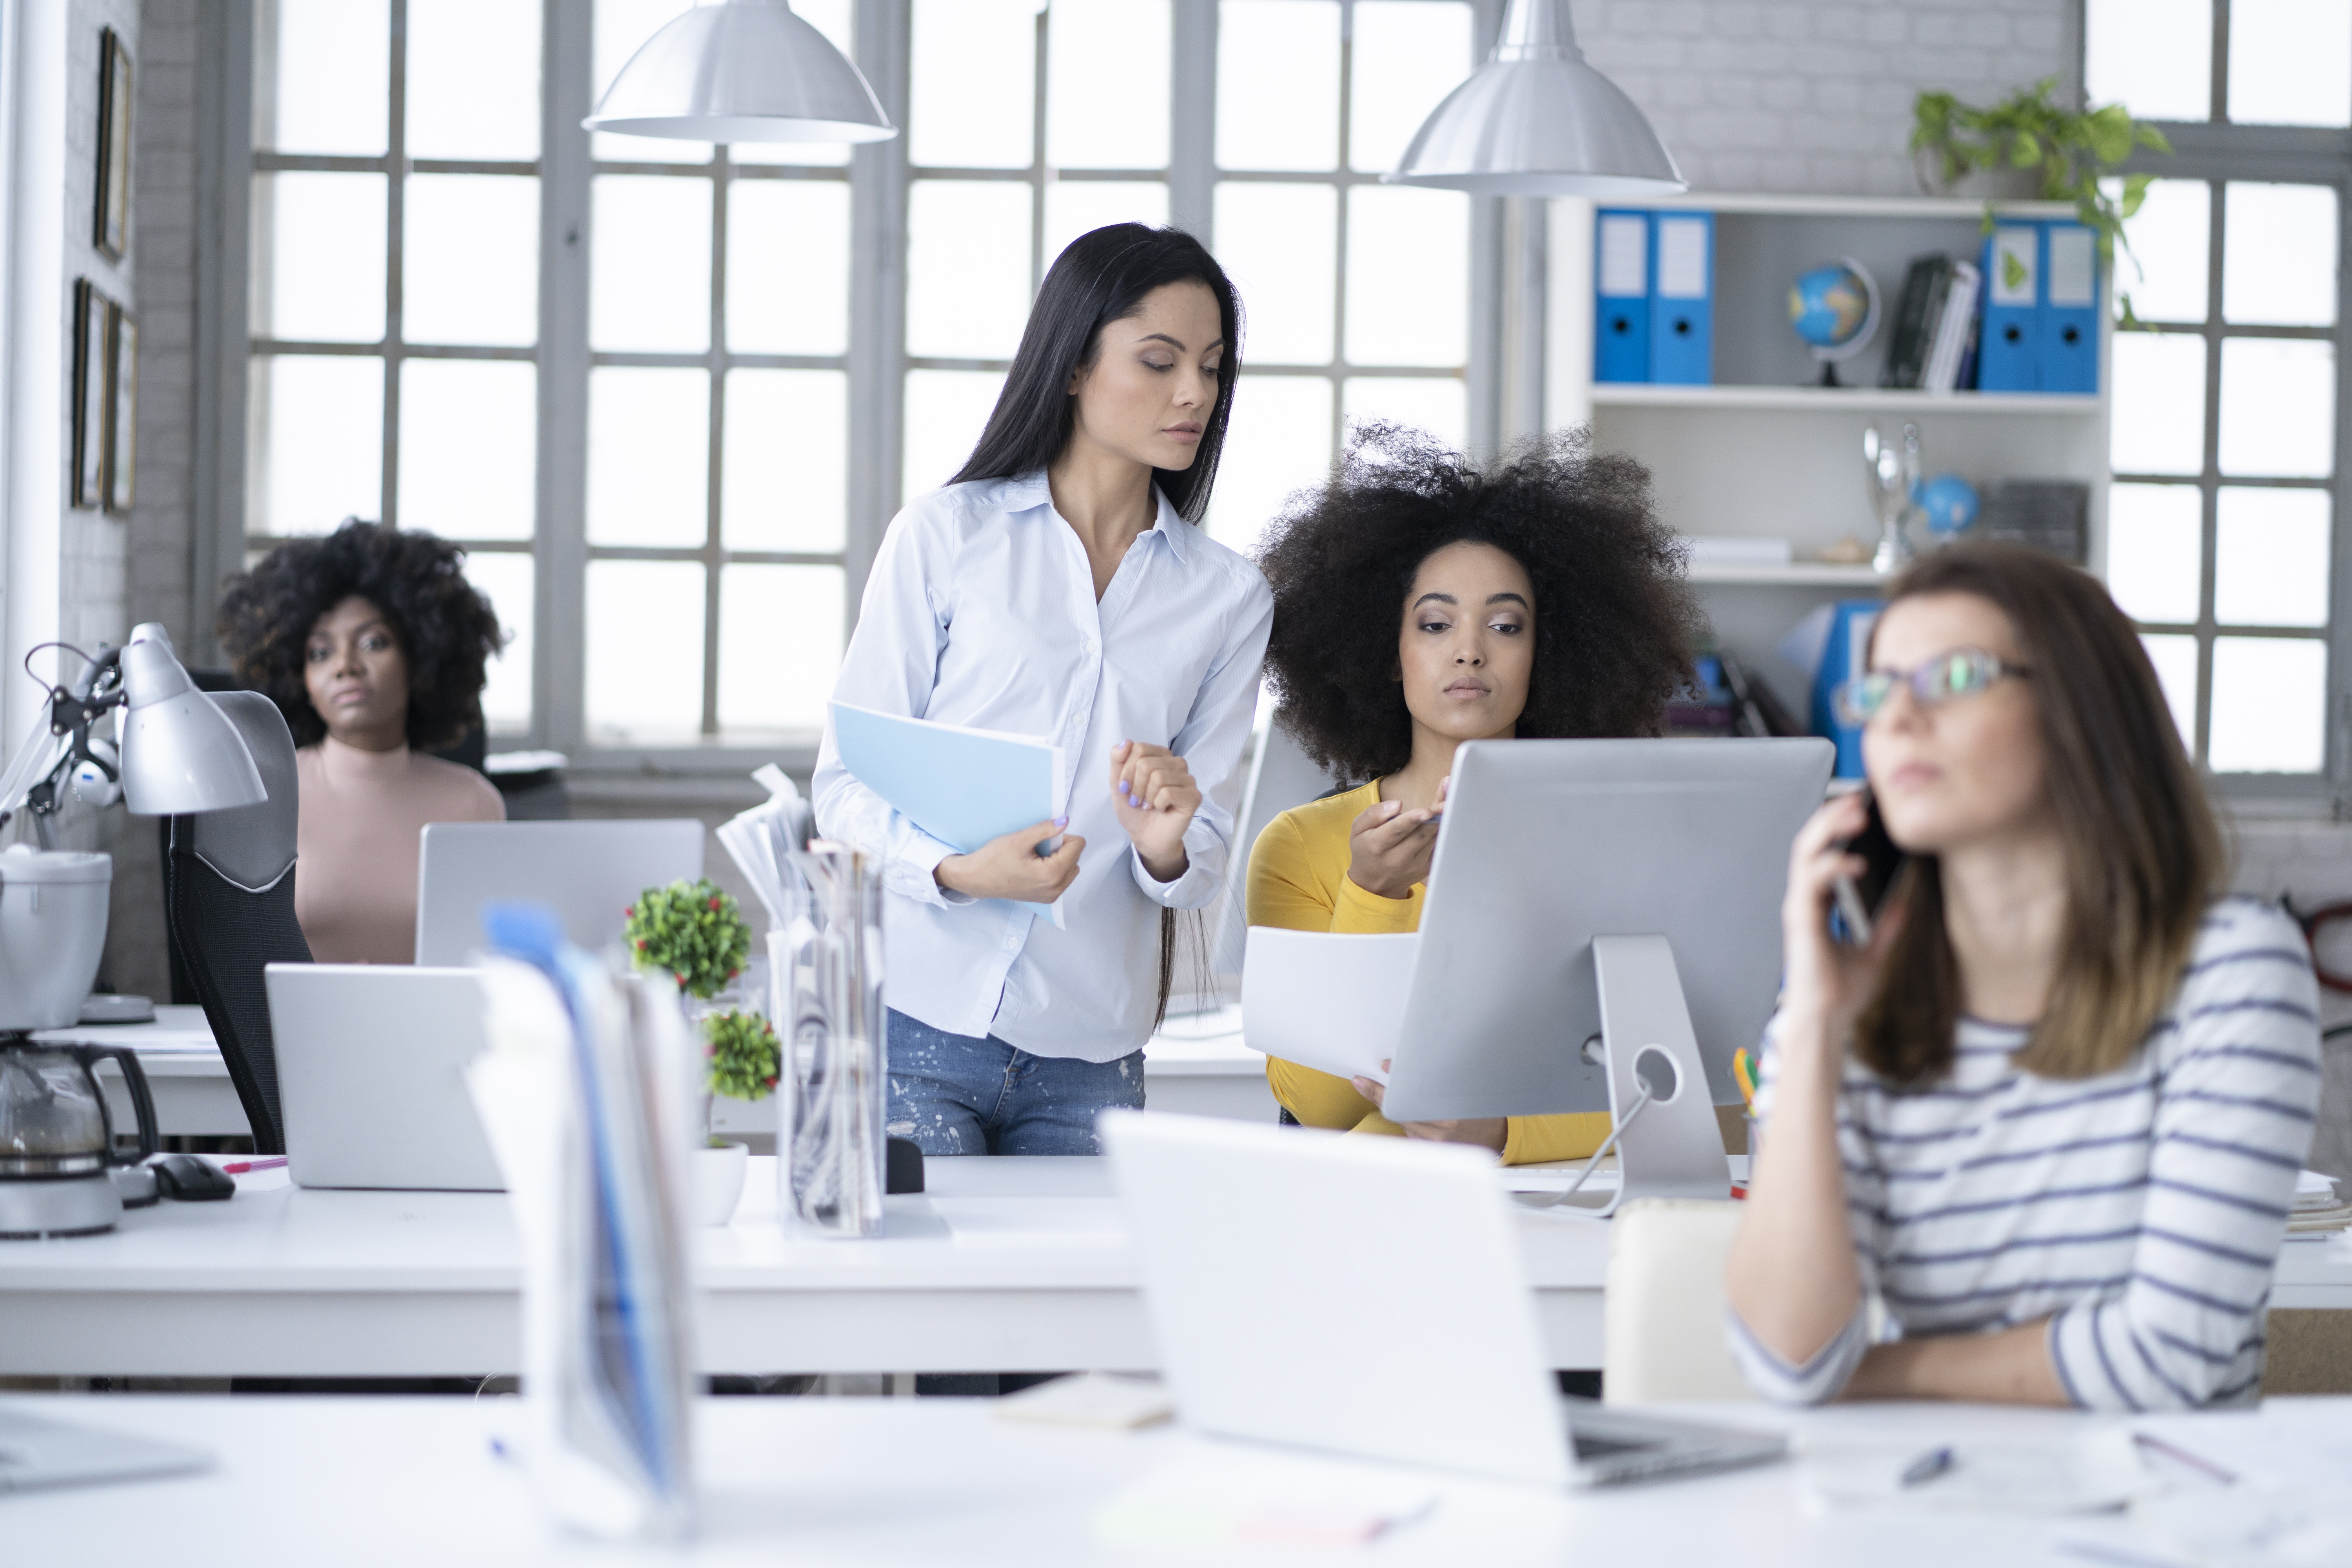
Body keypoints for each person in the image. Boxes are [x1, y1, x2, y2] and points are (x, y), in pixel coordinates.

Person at [1726, 543, 2320, 1409]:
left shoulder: (2232, 971)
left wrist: (1878, 1372)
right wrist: (1816, 1022)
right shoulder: (1840, 1002)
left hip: (2159, 1524)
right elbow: (1787, 1362)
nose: (1897, 719)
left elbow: (2164, 1359)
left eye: (1955, 676)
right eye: (1881, 687)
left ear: (2082, 709)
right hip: (1908, 1519)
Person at [811, 224, 1273, 1158]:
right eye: (1159, 360)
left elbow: (1205, 855)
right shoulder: (945, 538)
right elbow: (843, 791)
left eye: (1213, 367)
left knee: (1075, 1304)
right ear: (1071, 368)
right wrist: (957, 871)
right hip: (918, 1026)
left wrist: (1168, 847)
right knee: (925, 1302)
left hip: (1091, 1052)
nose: (1195, 393)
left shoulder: (1228, 598)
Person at [1249, 425, 1704, 1162]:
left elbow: (1687, 1089)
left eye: (1505, 624)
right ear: (1388, 655)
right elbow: (1316, 1106)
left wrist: (1499, 1134)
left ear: (1545, 653)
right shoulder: (1299, 847)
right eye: (1435, 624)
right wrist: (1373, 894)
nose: (1470, 650)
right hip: (1372, 1210)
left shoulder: (1613, 839)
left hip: (1564, 1216)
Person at [218, 521, 506, 965]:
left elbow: (487, 959)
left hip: (431, 1030)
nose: (346, 666)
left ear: (421, 658)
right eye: (320, 652)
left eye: (373, 642)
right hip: (299, 1032)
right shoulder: (266, 795)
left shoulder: (473, 803)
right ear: (301, 679)